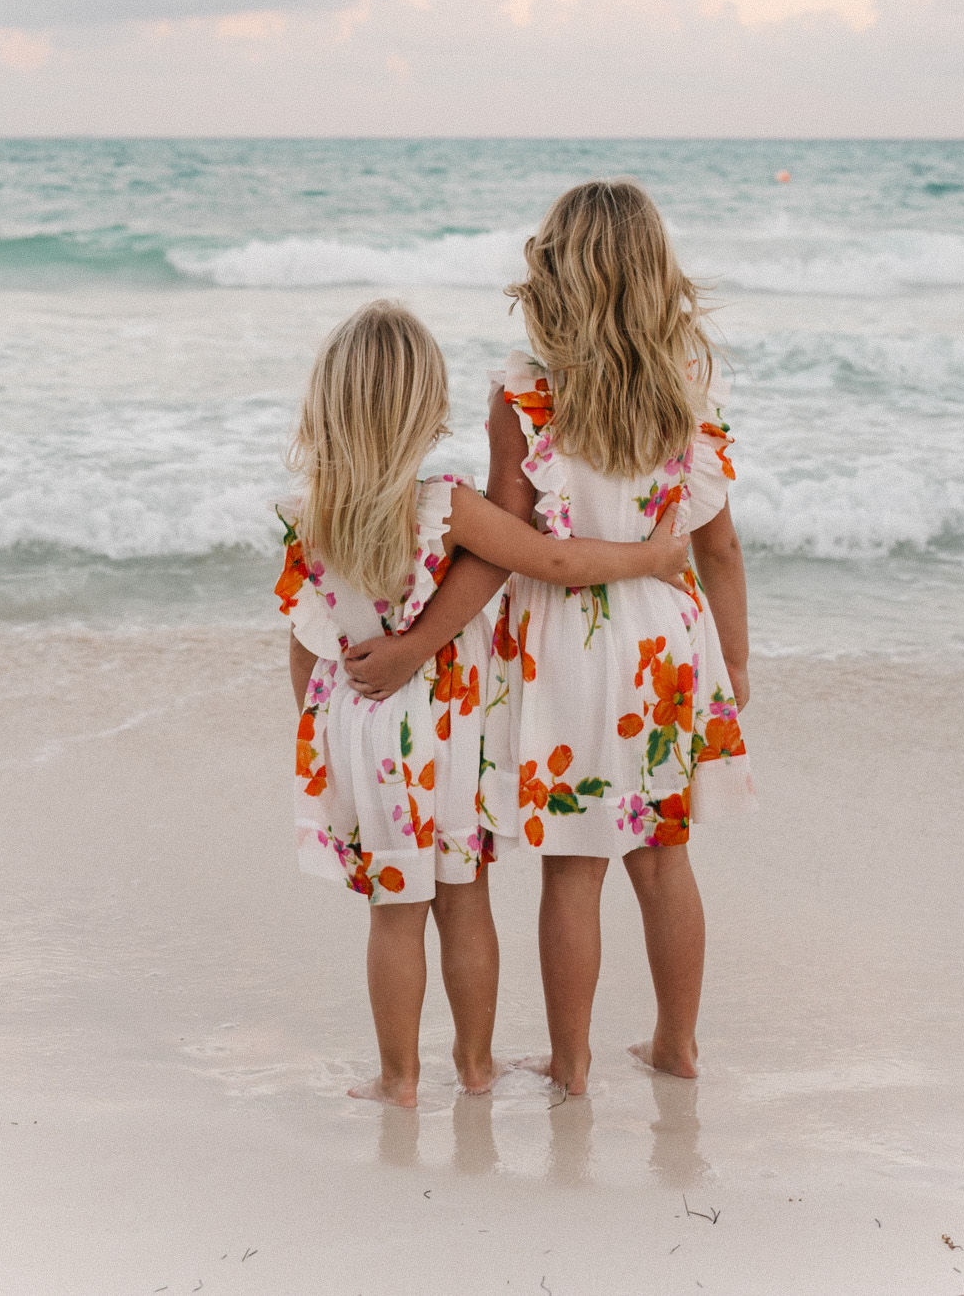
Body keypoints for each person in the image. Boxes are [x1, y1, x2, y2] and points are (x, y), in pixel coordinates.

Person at [344, 184, 754, 1096]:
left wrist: (416, 646)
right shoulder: (691, 388)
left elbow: (499, 554)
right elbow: (719, 544)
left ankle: (572, 1067)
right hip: (667, 643)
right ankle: (677, 1044)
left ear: (555, 275)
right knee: (663, 856)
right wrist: (737, 659)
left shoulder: (524, 396)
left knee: (575, 867)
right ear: (656, 277)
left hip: (568, 651)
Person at [278, 298, 691, 1109]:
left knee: (395, 914)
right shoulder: (449, 506)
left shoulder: (308, 516)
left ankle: (398, 1079)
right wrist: (655, 555)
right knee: (465, 903)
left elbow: (307, 642)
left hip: (364, 732)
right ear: (428, 411)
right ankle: (474, 1065)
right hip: (452, 730)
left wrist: (325, 739)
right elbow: (553, 558)